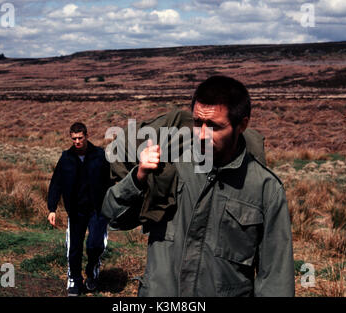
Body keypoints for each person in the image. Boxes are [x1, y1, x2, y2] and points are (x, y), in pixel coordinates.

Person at [102, 76, 295, 297]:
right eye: (197, 123)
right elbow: (113, 217)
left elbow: (276, 282)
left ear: (242, 125)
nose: (201, 135)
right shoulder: (169, 164)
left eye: (214, 126)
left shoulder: (265, 189)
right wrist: (138, 177)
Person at [47, 122, 110, 296]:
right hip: (76, 211)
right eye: (74, 138)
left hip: (98, 210)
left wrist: (114, 205)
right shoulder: (66, 158)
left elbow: (111, 181)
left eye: (80, 138)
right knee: (74, 247)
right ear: (70, 137)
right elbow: (56, 183)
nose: (77, 141)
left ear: (86, 136)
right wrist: (52, 208)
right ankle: (74, 279)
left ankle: (92, 273)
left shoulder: (100, 155)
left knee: (95, 244)